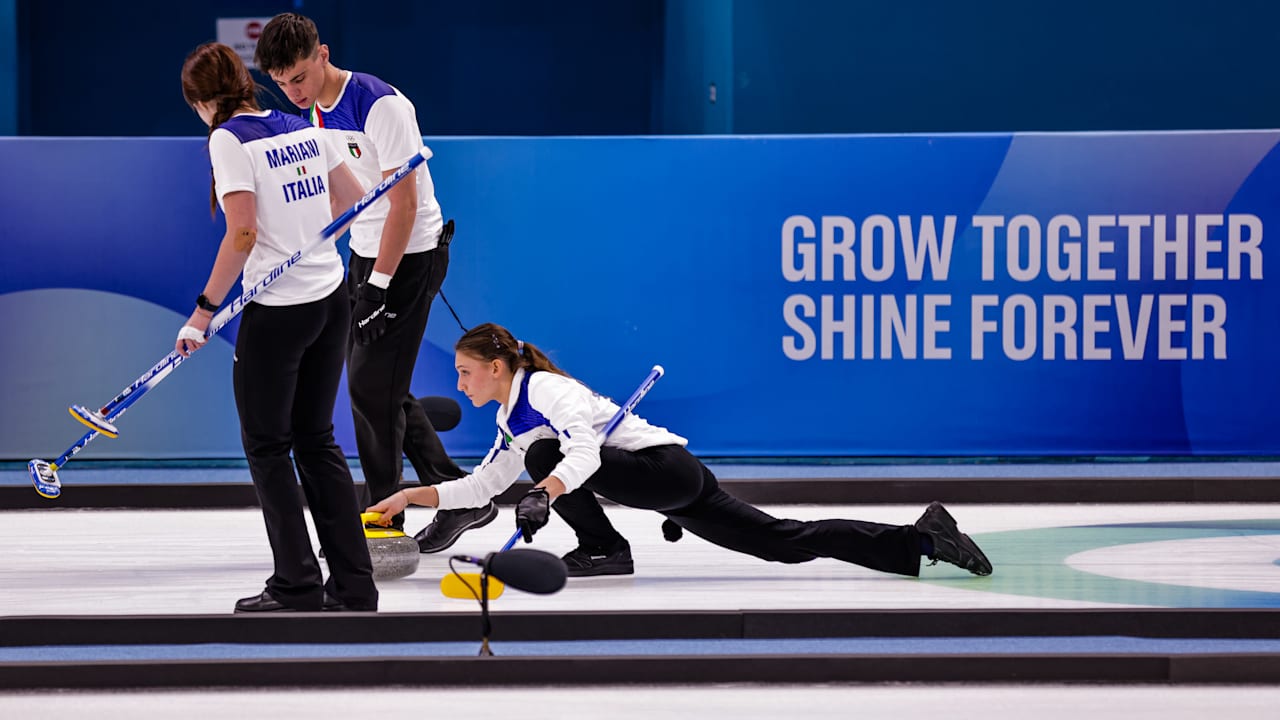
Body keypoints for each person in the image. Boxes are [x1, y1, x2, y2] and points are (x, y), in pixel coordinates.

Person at [367, 323, 994, 579]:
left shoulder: (549, 390)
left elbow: (580, 454)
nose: (459, 383)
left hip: (663, 470)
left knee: (542, 464)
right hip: (673, 486)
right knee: (783, 542)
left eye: (465, 372)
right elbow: (479, 489)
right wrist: (410, 496)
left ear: (498, 366)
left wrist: (544, 493)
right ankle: (923, 539)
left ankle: (606, 549)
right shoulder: (513, 417)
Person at [254, 13, 497, 552]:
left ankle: (381, 525)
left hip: (410, 256)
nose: (293, 92)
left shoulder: (380, 104)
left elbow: (404, 204)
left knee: (369, 389)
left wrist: (381, 285)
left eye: (299, 77)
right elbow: (343, 196)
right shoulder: (310, 113)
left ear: (322, 54)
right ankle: (462, 496)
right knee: (379, 388)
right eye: (281, 83)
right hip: (363, 256)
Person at [176, 42, 378, 612]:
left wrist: (203, 311)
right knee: (317, 441)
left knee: (269, 446)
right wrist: (310, 245)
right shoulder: (302, 126)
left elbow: (240, 235)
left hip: (279, 312)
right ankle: (355, 586)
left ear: (201, 100)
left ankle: (295, 584)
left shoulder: (226, 139)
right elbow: (356, 202)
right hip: (329, 298)